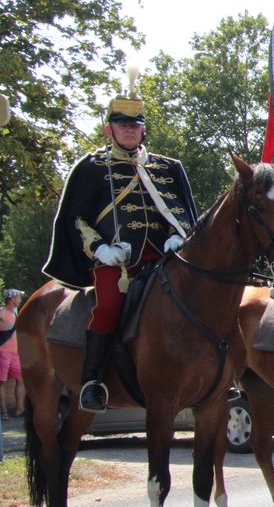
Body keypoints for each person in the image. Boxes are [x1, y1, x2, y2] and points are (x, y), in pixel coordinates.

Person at [44, 88, 198, 412]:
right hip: (118, 263)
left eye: (135, 124)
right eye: (122, 123)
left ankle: (210, 376)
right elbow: (75, 218)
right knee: (110, 304)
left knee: (201, 298)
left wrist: (178, 236)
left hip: (163, 258)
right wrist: (99, 249)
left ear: (144, 129)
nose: (129, 129)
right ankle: (93, 380)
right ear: (109, 128)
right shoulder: (91, 168)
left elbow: (184, 213)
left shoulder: (168, 168)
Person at [0, 289, 25, 418]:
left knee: (20, 380)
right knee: (1, 382)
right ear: (12, 299)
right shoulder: (1, 312)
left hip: (15, 353)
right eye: (18, 297)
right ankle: (3, 411)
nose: (20, 300)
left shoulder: (16, 313)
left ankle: (20, 409)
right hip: (3, 353)